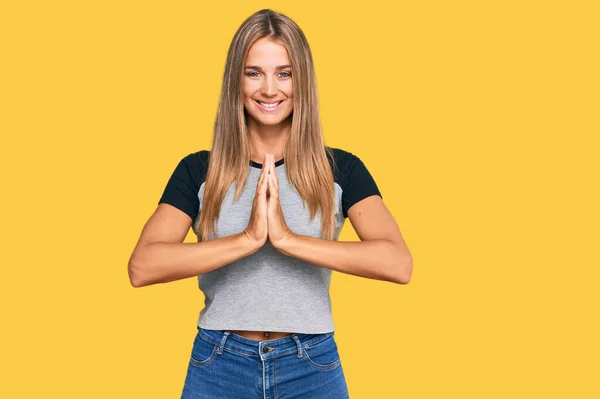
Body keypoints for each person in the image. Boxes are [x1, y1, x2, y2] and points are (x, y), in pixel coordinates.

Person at [128, 8, 413, 399]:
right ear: (236, 81)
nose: (269, 89)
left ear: (302, 81)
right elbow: (143, 266)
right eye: (253, 72)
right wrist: (247, 239)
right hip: (220, 362)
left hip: (311, 364)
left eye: (284, 73)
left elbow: (397, 263)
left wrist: (287, 239)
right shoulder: (199, 170)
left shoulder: (340, 169)